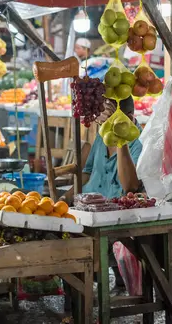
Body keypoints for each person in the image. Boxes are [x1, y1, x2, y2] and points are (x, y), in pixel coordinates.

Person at [61, 96, 143, 294]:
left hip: (112, 218)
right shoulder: (102, 135)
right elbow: (87, 172)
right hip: (86, 210)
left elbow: (130, 185)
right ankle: (75, 296)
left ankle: (86, 294)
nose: (103, 122)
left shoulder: (138, 144)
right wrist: (65, 198)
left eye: (110, 117)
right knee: (59, 238)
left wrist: (120, 136)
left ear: (129, 118)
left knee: (85, 247)